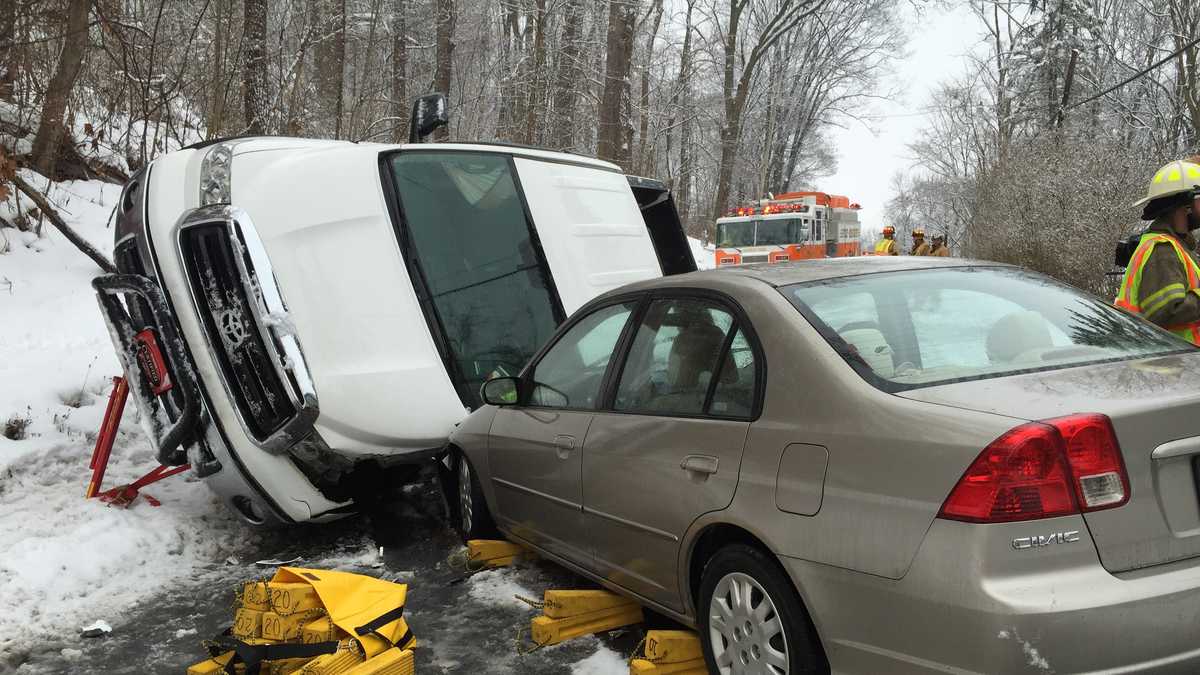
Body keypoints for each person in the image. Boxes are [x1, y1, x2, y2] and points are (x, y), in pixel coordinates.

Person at [1114, 159, 1200, 345]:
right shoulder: (1162, 250)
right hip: (1169, 364)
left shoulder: (1177, 246)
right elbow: (1166, 311)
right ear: (1185, 205)